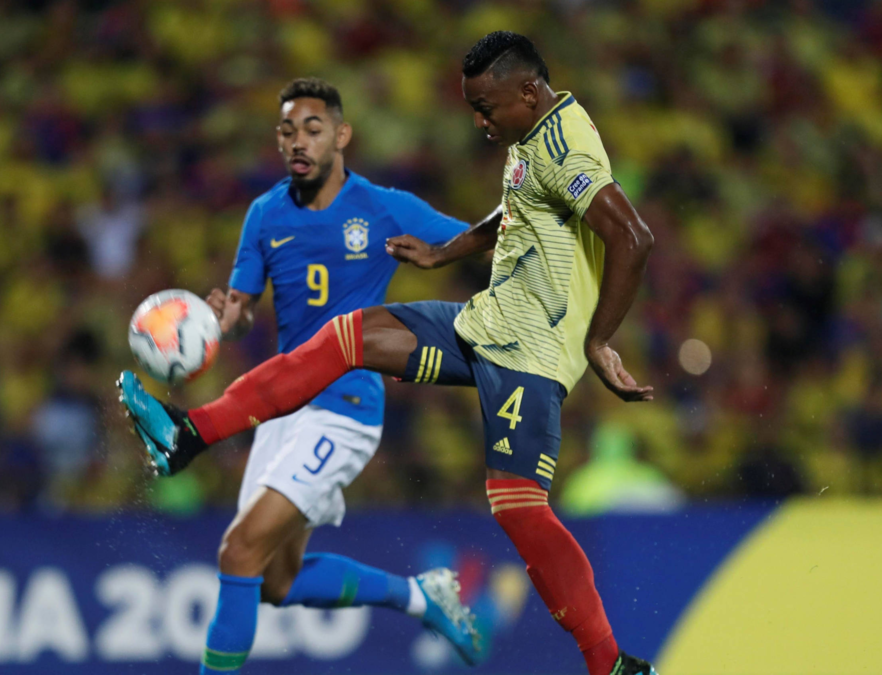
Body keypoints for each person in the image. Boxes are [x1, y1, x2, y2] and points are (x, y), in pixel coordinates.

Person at [122, 33, 658, 674]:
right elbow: (517, 207)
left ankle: (610, 665)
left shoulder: (564, 149)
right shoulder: (529, 132)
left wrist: (597, 340)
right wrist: (444, 252)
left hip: (531, 353)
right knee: (347, 337)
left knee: (518, 509)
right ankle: (189, 434)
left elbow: (633, 236)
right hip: (488, 322)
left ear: (526, 91)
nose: (479, 123)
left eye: (485, 109)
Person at [124, 78, 483, 674]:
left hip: (344, 409)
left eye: (313, 129)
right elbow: (242, 311)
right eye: (288, 130)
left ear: (341, 136)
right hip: (279, 409)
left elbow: (476, 238)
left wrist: (499, 271)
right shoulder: (265, 215)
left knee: (239, 552)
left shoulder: (384, 207)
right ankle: (422, 596)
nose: (299, 141)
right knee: (274, 582)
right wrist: (221, 318)